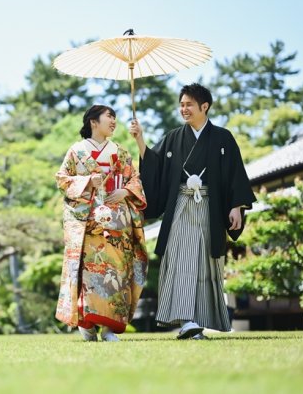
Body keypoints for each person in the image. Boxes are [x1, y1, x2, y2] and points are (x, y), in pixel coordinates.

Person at [129, 83, 256, 339]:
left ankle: (198, 321)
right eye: (182, 104)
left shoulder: (223, 138)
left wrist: (236, 206)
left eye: (189, 104)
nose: (183, 109)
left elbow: (235, 174)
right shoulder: (175, 136)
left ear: (204, 107)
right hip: (181, 206)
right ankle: (188, 321)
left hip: (210, 207)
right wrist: (140, 138)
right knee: (181, 259)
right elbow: (153, 164)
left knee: (206, 263)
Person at [55, 104, 148, 342]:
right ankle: (87, 325)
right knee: (87, 272)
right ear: (93, 122)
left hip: (117, 222)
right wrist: (87, 181)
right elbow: (63, 180)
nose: (114, 121)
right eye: (109, 117)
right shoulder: (77, 151)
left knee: (118, 271)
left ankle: (109, 329)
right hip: (88, 221)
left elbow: (135, 178)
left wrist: (125, 192)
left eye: (115, 117)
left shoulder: (121, 151)